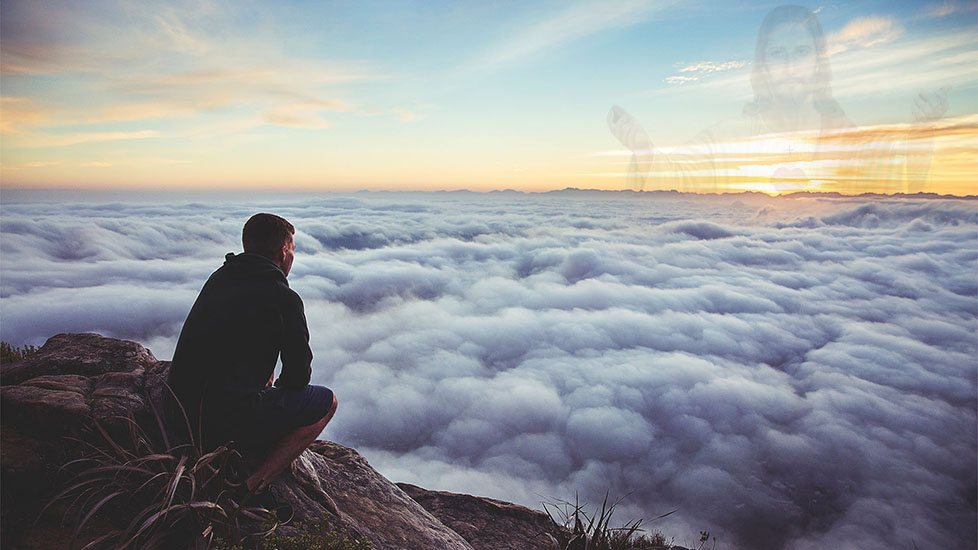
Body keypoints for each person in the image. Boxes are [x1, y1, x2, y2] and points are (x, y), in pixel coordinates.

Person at [608, 5, 947, 194]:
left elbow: (897, 187)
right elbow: (676, 184)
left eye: (800, 52)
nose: (788, 66)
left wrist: (923, 131)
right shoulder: (728, 136)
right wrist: (644, 151)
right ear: (763, 66)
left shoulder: (847, 139)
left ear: (818, 62)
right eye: (777, 53)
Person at [166, 213, 337, 496]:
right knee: (326, 402)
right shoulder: (283, 297)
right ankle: (248, 487)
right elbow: (298, 377)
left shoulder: (220, 277)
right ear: (284, 253)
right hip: (222, 424)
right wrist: (274, 392)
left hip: (178, 413)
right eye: (292, 250)